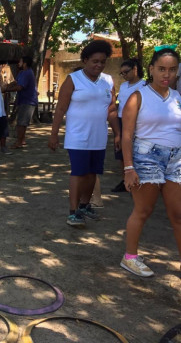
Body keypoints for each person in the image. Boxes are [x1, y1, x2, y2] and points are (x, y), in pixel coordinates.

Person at [120, 48, 181, 277]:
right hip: (147, 157)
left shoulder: (177, 98)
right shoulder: (138, 97)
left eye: (172, 69)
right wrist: (128, 168)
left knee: (178, 214)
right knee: (144, 210)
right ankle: (130, 258)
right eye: (162, 69)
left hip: (176, 159)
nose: (167, 74)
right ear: (151, 69)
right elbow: (127, 136)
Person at [48, 40, 120, 228]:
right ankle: (73, 212)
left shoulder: (108, 81)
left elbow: (111, 109)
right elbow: (60, 108)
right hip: (77, 136)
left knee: (92, 173)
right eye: (95, 61)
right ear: (85, 60)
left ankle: (84, 205)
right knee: (79, 173)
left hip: (99, 136)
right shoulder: (73, 79)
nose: (99, 65)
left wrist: (118, 134)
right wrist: (54, 134)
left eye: (102, 61)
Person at [111, 58, 145, 193]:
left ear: (135, 69)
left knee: (136, 151)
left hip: (137, 122)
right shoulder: (124, 86)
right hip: (121, 120)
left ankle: (139, 180)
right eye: (122, 73)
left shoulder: (145, 85)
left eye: (126, 72)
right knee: (120, 151)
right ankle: (125, 179)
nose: (124, 75)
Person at [4, 56, 38, 148]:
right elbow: (15, 82)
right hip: (23, 100)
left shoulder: (27, 73)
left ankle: (19, 142)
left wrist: (6, 90)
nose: (19, 63)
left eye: (21, 61)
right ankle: (22, 140)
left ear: (25, 64)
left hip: (28, 101)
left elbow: (19, 87)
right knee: (22, 122)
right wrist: (7, 85)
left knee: (21, 123)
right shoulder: (22, 72)